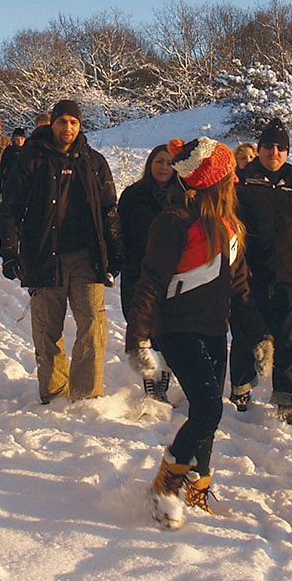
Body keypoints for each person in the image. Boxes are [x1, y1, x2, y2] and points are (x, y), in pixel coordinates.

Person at [126, 137, 267, 529]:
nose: (236, 181)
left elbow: (239, 288)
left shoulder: (231, 226)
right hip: (176, 328)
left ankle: (197, 487)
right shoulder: (173, 222)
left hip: (213, 329)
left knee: (208, 417)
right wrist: (138, 337)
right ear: (213, 182)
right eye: (229, 176)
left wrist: (258, 334)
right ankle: (166, 485)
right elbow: (150, 281)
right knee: (208, 409)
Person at [0, 99, 123, 404]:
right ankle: (53, 395)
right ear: (52, 124)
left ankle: (86, 395)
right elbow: (10, 209)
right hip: (42, 255)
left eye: (74, 122)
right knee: (47, 330)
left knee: (93, 326)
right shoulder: (31, 159)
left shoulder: (93, 162)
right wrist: (10, 251)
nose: (67, 128)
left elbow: (109, 209)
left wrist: (115, 250)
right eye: (62, 121)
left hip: (86, 257)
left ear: (80, 126)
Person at [229, 118, 292, 426]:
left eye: (282, 147)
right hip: (251, 276)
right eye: (269, 146)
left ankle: (286, 402)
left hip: (289, 277)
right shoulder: (243, 182)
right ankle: (240, 391)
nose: (275, 152)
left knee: (290, 342)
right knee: (245, 336)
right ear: (260, 149)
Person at [118, 142, 182, 401]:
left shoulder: (182, 195)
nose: (164, 167)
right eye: (159, 161)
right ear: (150, 164)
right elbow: (119, 228)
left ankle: (164, 378)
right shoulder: (133, 195)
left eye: (169, 162)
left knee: (168, 328)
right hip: (138, 270)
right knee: (141, 324)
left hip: (173, 273)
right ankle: (148, 380)